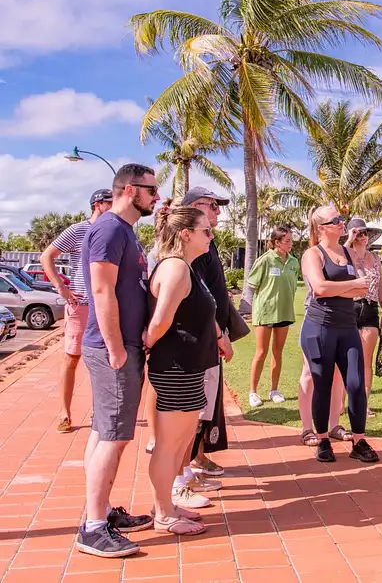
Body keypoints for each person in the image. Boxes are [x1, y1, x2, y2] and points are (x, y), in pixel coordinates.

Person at [77, 163, 159, 558]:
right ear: (129, 189)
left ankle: (100, 511)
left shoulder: (126, 231)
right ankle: (93, 529)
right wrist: (115, 348)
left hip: (122, 345)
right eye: (151, 189)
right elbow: (101, 289)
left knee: (105, 431)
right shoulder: (110, 228)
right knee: (114, 434)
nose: (156, 196)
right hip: (114, 347)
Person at [145, 205, 219, 536]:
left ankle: (167, 505)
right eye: (206, 230)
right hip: (175, 368)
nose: (211, 235)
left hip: (188, 368)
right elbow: (160, 321)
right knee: (169, 445)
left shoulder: (187, 268)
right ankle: (162, 514)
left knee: (179, 445)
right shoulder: (175, 268)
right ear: (186, 234)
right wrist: (147, 344)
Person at [299, 205, 379, 464]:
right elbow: (320, 288)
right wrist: (351, 285)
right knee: (321, 385)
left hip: (347, 326)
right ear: (322, 228)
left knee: (356, 385)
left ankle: (359, 440)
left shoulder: (346, 252)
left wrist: (347, 287)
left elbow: (359, 292)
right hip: (319, 327)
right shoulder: (312, 254)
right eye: (336, 220)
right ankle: (322, 440)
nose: (342, 223)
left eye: (341, 219)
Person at [41, 188, 113, 433]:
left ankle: (98, 412)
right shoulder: (77, 230)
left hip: (104, 306)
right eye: (109, 202)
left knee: (103, 361)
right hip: (80, 305)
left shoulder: (113, 231)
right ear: (97, 204)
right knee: (72, 358)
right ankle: (65, 413)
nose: (113, 206)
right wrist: (61, 287)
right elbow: (46, 256)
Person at [180, 187, 234, 481]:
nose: (218, 211)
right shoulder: (190, 245)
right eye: (212, 205)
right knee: (196, 404)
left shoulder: (207, 242)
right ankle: (185, 468)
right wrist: (217, 333)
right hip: (201, 335)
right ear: (193, 207)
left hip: (210, 332)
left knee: (207, 402)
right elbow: (195, 292)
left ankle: (196, 457)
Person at [248, 226, 300, 407]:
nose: (291, 244)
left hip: (285, 311)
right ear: (277, 242)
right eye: (287, 241)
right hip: (265, 312)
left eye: (291, 241)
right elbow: (253, 285)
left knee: (278, 352)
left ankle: (274, 390)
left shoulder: (294, 262)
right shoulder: (265, 260)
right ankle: (253, 392)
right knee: (261, 352)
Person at [344, 218, 382, 416]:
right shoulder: (345, 254)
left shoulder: (375, 258)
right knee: (345, 358)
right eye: (358, 233)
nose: (362, 237)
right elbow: (334, 261)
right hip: (350, 307)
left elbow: (380, 287)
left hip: (370, 308)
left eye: (365, 233)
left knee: (365, 360)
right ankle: (341, 401)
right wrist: (348, 239)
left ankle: (364, 402)